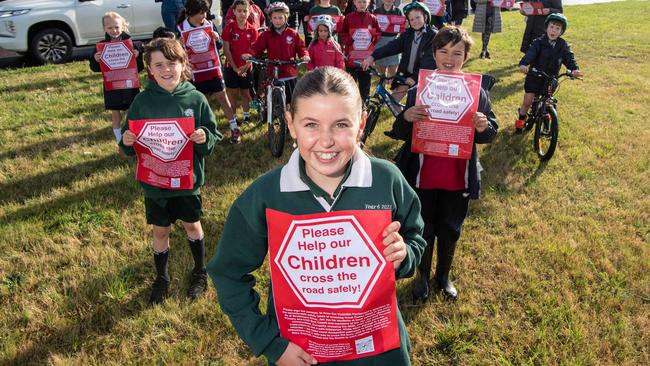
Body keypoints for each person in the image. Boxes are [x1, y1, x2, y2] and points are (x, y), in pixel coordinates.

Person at [208, 66, 426, 366]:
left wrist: (404, 255)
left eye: (340, 125)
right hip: (302, 353)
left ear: (361, 123)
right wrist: (269, 341)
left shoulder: (386, 180)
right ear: (291, 124)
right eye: (311, 124)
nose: (326, 141)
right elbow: (227, 272)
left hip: (379, 352)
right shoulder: (266, 195)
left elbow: (415, 235)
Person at [390, 26, 498, 301]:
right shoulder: (419, 90)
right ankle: (422, 278)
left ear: (466, 56)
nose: (449, 59)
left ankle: (443, 275)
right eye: (443, 52)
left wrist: (484, 126)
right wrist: (407, 117)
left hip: (457, 176)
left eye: (457, 53)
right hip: (422, 176)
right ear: (434, 54)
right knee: (423, 226)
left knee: (451, 227)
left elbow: (491, 131)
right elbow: (399, 132)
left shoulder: (476, 92)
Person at [119, 38, 221, 304]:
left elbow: (213, 133)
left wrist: (204, 136)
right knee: (160, 231)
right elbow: (129, 144)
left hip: (187, 181)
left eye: (172, 63)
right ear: (150, 70)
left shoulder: (195, 98)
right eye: (159, 65)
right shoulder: (142, 102)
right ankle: (161, 277)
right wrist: (127, 142)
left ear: (183, 64)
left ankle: (199, 270)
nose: (166, 69)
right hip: (156, 184)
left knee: (191, 224)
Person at [178, 0, 242, 143]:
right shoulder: (181, 28)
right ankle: (202, 131)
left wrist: (217, 38)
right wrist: (180, 45)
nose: (204, 16)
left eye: (205, 12)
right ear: (191, 13)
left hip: (212, 69)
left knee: (223, 98)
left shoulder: (208, 24)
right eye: (201, 13)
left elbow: (218, 45)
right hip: (195, 73)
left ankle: (234, 128)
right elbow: (177, 54)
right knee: (201, 103)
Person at [362, 1, 437, 108]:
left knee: (416, 108)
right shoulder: (408, 34)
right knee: (392, 103)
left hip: (423, 78)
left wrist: (415, 78)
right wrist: (373, 56)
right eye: (411, 19)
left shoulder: (433, 36)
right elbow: (392, 46)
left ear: (425, 17)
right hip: (406, 75)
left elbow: (429, 62)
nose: (415, 21)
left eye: (417, 17)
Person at [89, 12, 144, 156]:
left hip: (130, 85)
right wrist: (96, 60)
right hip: (112, 86)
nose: (114, 30)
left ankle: (137, 141)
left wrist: (137, 57)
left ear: (122, 26)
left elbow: (140, 68)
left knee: (133, 112)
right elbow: (95, 69)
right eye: (110, 28)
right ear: (104, 29)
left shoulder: (133, 44)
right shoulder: (101, 47)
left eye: (117, 27)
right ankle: (121, 144)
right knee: (115, 113)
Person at [515, 13, 582, 131]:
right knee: (528, 100)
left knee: (548, 101)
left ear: (561, 32)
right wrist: (524, 64)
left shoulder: (563, 45)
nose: (554, 31)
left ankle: (546, 120)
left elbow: (569, 57)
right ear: (546, 28)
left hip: (551, 78)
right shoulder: (538, 42)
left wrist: (574, 69)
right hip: (534, 76)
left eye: (557, 29)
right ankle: (521, 120)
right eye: (551, 27)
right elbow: (530, 54)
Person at [242, 2, 310, 105]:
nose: (277, 21)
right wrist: (249, 54)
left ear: (286, 18)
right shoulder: (267, 35)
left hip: (289, 72)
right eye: (274, 18)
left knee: (293, 101)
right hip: (273, 72)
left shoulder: (292, 34)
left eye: (280, 18)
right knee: (272, 101)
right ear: (270, 18)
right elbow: (257, 46)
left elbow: (301, 47)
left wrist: (304, 55)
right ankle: (269, 111)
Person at [222, 0, 258, 124]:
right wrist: (235, 67)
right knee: (232, 93)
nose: (242, 13)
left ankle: (247, 117)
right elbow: (226, 49)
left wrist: (245, 66)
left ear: (249, 13)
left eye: (245, 11)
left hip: (246, 68)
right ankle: (233, 119)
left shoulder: (253, 30)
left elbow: (254, 51)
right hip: (231, 67)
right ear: (234, 12)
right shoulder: (229, 28)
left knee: (245, 92)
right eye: (239, 11)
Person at [340, 0, 381, 102]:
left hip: (366, 58)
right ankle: (351, 104)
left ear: (368, 3)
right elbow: (343, 33)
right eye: (359, 2)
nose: (362, 4)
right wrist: (349, 40)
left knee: (365, 85)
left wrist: (372, 40)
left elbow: (378, 32)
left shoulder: (372, 18)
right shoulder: (348, 17)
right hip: (352, 57)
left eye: (364, 2)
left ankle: (364, 106)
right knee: (350, 84)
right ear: (354, 3)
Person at [371, 0, 403, 79]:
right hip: (380, 43)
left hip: (393, 43)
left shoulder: (398, 12)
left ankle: (393, 90)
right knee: (381, 75)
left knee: (393, 74)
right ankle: (381, 89)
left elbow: (402, 29)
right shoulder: (376, 11)